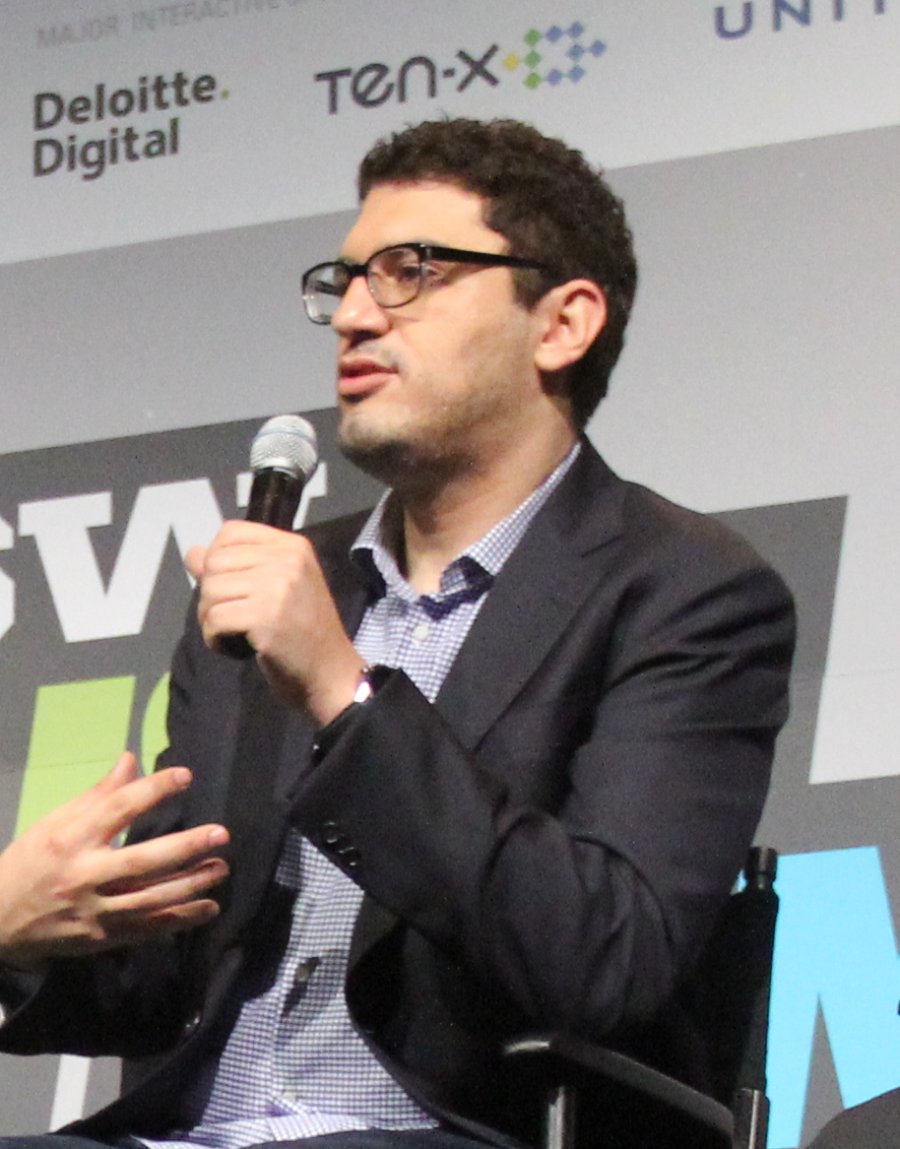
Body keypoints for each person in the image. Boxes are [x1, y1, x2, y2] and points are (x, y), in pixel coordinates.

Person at [0, 117, 795, 1149]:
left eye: (410, 272)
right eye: (346, 281)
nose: (354, 316)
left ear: (563, 323)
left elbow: (605, 958)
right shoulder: (278, 582)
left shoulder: (688, 592)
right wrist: (19, 928)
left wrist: (346, 695)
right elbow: (165, 976)